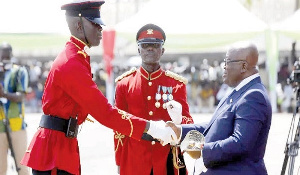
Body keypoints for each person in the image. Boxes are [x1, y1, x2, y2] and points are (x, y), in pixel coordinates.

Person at [20, 1, 175, 175]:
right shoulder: (72, 62)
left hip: (61, 144)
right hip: (54, 152)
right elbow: (105, 112)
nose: (100, 30)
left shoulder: (76, 56)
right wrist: (152, 128)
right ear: (79, 25)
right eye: (95, 25)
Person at [165, 43, 272, 175]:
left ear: (243, 66)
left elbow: (240, 144)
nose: (224, 67)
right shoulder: (239, 91)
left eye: (227, 61)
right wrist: (180, 131)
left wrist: (202, 151)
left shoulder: (253, 95)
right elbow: (215, 126)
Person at [113, 23, 194, 175]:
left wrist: (178, 121)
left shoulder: (176, 84)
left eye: (155, 45)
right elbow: (119, 128)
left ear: (162, 50)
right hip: (135, 159)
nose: (150, 48)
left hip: (166, 158)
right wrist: (120, 161)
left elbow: (188, 122)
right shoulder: (124, 84)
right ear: (139, 50)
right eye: (145, 45)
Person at [0, 42, 29, 175]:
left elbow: (21, 96)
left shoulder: (19, 71)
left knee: (22, 168)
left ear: (11, 55)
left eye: (6, 55)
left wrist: (4, 94)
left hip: (17, 126)